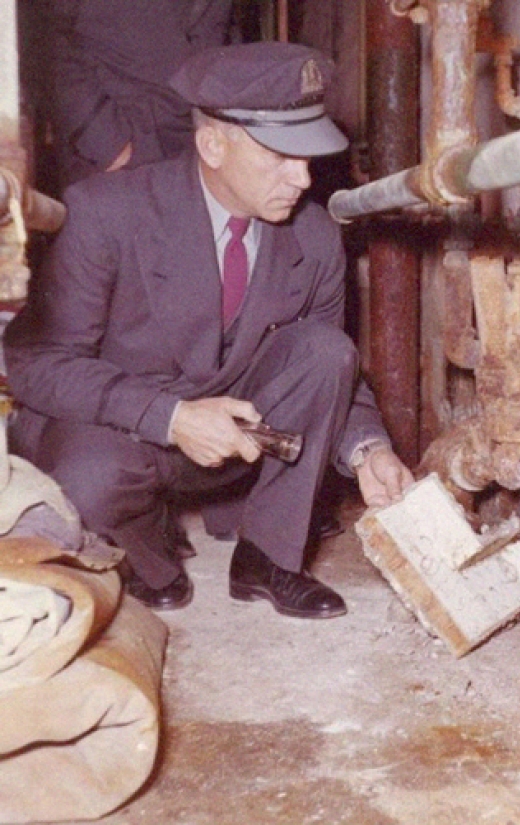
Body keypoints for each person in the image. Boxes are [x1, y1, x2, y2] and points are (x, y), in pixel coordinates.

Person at [4, 41, 415, 618]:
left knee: (326, 350)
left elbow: (331, 374)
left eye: (308, 156)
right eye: (281, 156)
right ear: (213, 145)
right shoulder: (106, 212)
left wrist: (368, 449)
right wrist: (170, 417)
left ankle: (268, 558)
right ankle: (145, 552)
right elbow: (36, 363)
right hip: (125, 433)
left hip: (237, 443)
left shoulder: (315, 236)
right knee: (87, 481)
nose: (302, 178)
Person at [47, 0, 235, 190]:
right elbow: (49, 34)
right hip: (118, 144)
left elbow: (215, 36)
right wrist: (105, 140)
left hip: (195, 143)